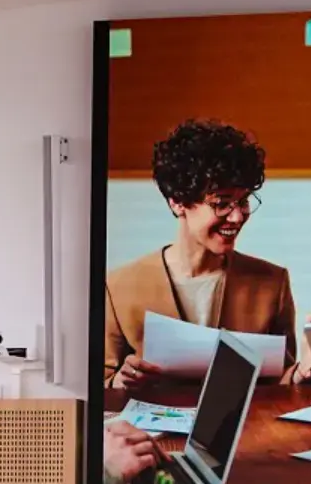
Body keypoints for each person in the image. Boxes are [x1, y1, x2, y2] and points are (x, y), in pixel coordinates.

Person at [103, 119, 300, 388]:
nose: (237, 216)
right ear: (177, 202)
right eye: (221, 203)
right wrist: (120, 382)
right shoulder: (118, 288)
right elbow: (101, 385)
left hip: (246, 429)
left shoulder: (271, 283)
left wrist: (301, 375)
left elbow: (281, 382)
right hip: (149, 429)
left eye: (242, 201)